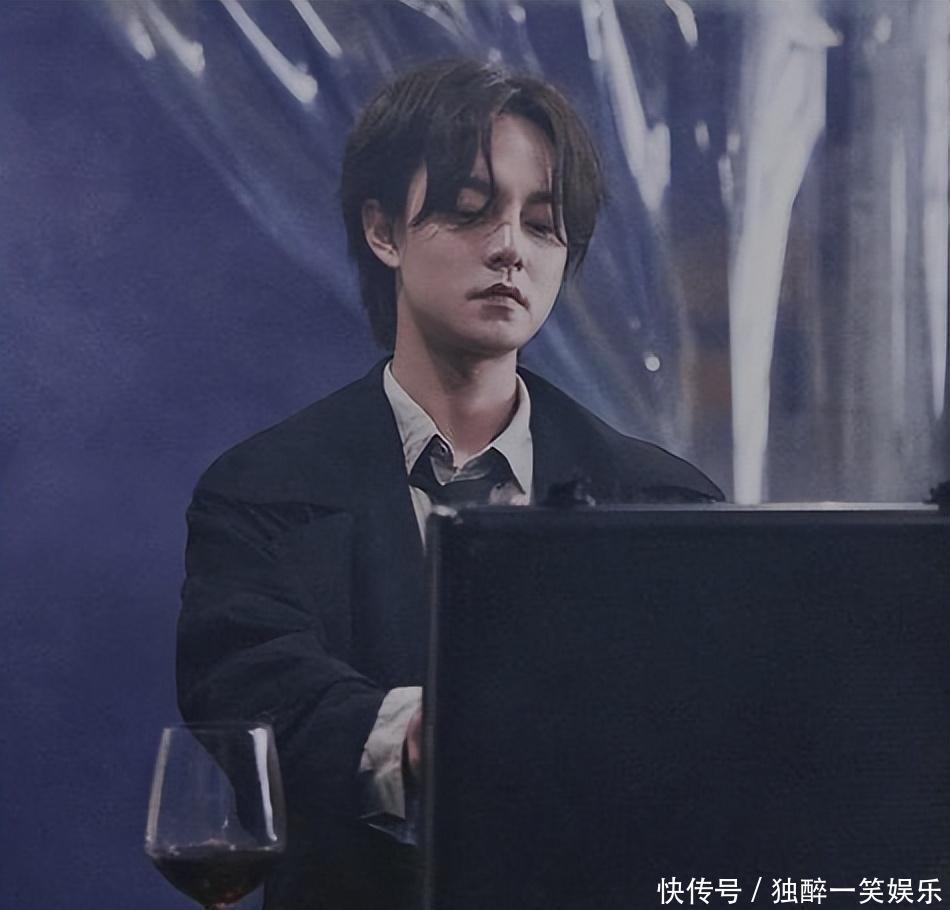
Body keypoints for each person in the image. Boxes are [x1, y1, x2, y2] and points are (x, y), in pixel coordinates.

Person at [177, 58, 722, 910]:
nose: (509, 247)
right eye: (470, 210)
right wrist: (420, 735)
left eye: (543, 224)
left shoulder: (662, 503)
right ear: (383, 230)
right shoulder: (263, 491)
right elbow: (250, 683)